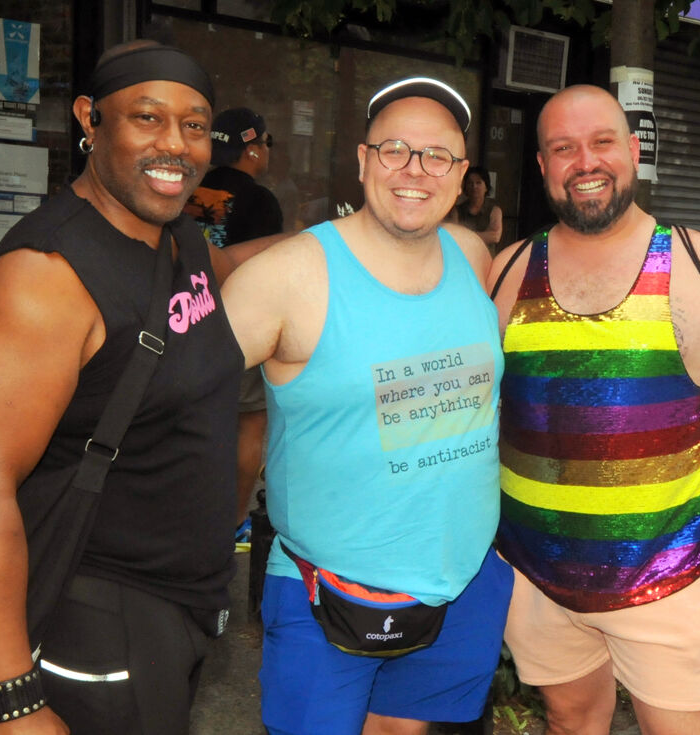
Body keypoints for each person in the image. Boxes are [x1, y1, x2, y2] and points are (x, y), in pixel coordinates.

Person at [0, 40, 254, 734]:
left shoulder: (177, 237)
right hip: (99, 620)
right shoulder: (44, 280)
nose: (175, 145)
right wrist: (13, 699)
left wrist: (353, 241)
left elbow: (229, 270)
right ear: (90, 118)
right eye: (147, 117)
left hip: (178, 608)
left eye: (194, 125)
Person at [488, 84, 700, 735]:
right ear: (542, 165)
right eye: (563, 148)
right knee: (570, 722)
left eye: (602, 142)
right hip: (532, 574)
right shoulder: (506, 270)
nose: (585, 161)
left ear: (632, 149)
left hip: (667, 578)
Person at [221, 77, 514, 735]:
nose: (415, 170)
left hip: (462, 583)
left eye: (437, 155)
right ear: (361, 160)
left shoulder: (471, 256)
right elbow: (174, 400)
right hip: (328, 593)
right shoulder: (288, 276)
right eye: (394, 150)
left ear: (461, 174)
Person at [186, 107, 284, 550]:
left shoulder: (185, 189)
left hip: (181, 316)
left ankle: (189, 510)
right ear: (251, 149)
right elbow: (266, 272)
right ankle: (235, 521)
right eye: (266, 143)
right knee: (249, 423)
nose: (267, 152)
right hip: (235, 326)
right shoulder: (260, 202)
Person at [449, 165, 503, 255]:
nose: (474, 186)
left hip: (486, 259)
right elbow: (454, 237)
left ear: (486, 187)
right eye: (470, 183)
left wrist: (466, 236)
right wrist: (484, 235)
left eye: (478, 183)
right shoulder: (457, 211)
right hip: (463, 258)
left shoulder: (494, 210)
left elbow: (495, 236)